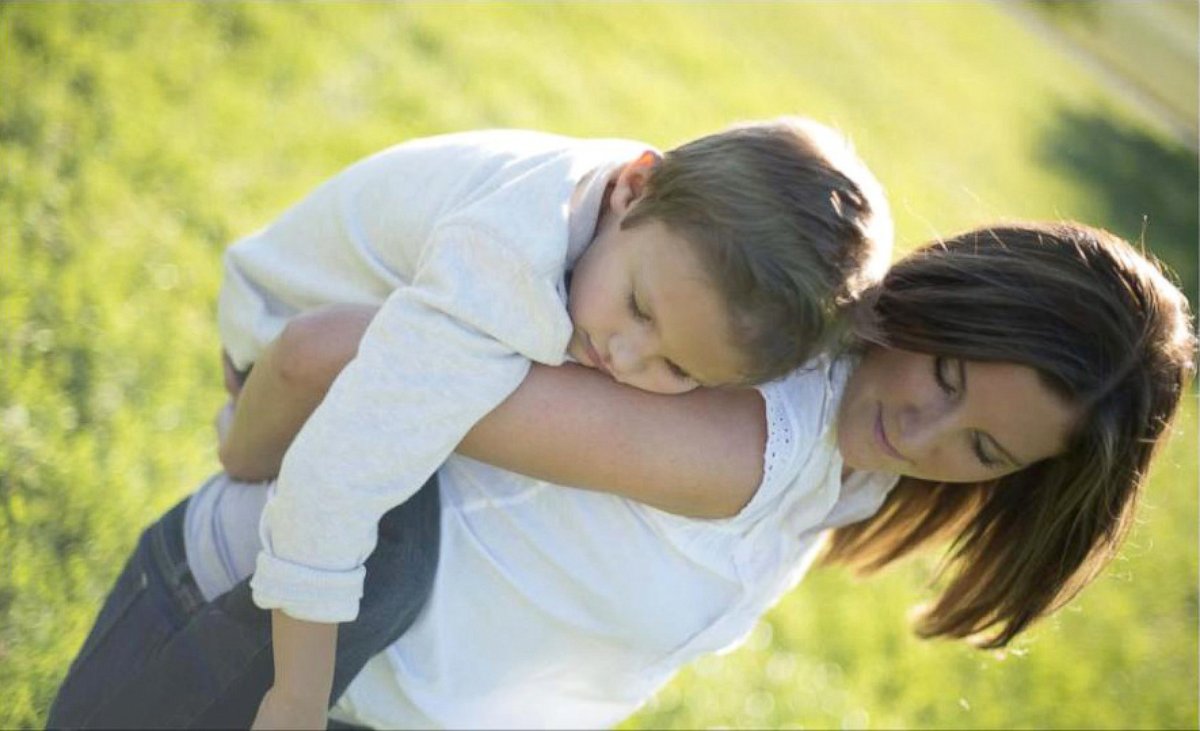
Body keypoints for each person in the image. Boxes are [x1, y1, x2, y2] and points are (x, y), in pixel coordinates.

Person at [47, 222, 1195, 728]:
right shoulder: (744, 437)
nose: (924, 425)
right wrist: (242, 439)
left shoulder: (859, 469)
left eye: (984, 449)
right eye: (943, 369)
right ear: (939, 297)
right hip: (250, 662)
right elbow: (344, 350)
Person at [46, 118, 892, 729]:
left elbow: (808, 163)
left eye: (679, 369)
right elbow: (334, 462)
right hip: (279, 322)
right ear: (634, 187)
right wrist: (294, 698)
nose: (627, 361)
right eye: (637, 307)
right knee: (391, 554)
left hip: (363, 330)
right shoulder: (507, 269)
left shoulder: (658, 238)